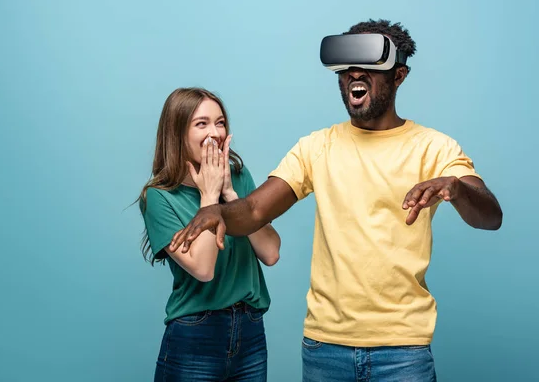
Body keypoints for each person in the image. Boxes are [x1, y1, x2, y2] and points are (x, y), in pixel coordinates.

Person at [168, 20, 503, 381]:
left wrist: (455, 187)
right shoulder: (317, 147)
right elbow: (254, 209)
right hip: (324, 348)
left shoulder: (434, 147)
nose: (355, 75)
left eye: (370, 68)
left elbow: (490, 215)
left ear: (399, 76)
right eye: (346, 69)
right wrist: (216, 210)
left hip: (403, 349)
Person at [139, 87, 281, 381]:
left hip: (250, 331)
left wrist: (230, 194)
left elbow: (270, 253)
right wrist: (209, 197)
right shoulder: (159, 197)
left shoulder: (239, 178)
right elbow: (203, 269)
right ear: (177, 132)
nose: (214, 132)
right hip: (196, 334)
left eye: (220, 122)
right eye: (201, 123)